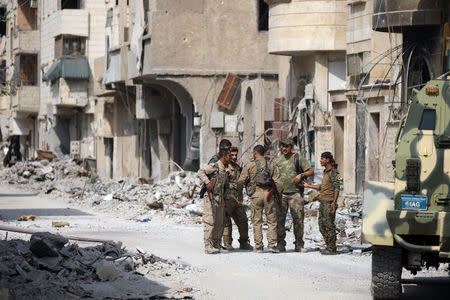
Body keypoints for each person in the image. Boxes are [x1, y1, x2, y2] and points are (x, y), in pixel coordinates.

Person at [237, 145, 282, 253]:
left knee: (257, 222)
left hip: (255, 195)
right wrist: (277, 194)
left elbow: (240, 181)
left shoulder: (250, 165)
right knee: (271, 221)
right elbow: (279, 183)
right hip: (268, 195)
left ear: (254, 153)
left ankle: (259, 246)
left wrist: (240, 194)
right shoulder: (271, 164)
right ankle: (271, 245)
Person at [275, 138, 314, 252]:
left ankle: (299, 244)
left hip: (295, 194)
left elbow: (310, 171)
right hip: (281, 195)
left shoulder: (298, 158)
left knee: (298, 220)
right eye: (283, 146)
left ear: (291, 147)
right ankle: (281, 244)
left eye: (287, 146)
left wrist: (301, 175)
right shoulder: (278, 161)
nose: (284, 148)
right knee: (280, 220)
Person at [302, 152, 342, 255]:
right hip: (323, 202)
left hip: (329, 203)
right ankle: (328, 245)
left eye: (322, 159)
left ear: (327, 160)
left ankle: (332, 248)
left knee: (329, 226)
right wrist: (309, 186)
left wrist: (334, 202)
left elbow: (337, 188)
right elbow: (322, 187)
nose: (320, 161)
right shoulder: (326, 172)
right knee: (321, 225)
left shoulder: (334, 172)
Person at [198, 148, 231, 254]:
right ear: (224, 156)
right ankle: (208, 245)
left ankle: (216, 244)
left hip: (220, 199)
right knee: (210, 222)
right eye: (229, 155)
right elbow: (201, 172)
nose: (231, 158)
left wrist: (226, 199)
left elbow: (225, 186)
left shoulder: (224, 169)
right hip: (211, 198)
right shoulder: (214, 166)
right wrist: (207, 182)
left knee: (219, 223)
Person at [222, 147, 253, 250]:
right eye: (232, 155)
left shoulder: (238, 168)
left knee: (243, 220)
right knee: (227, 221)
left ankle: (244, 242)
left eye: (236, 155)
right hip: (227, 198)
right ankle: (227, 243)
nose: (234, 157)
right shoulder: (224, 167)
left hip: (237, 199)